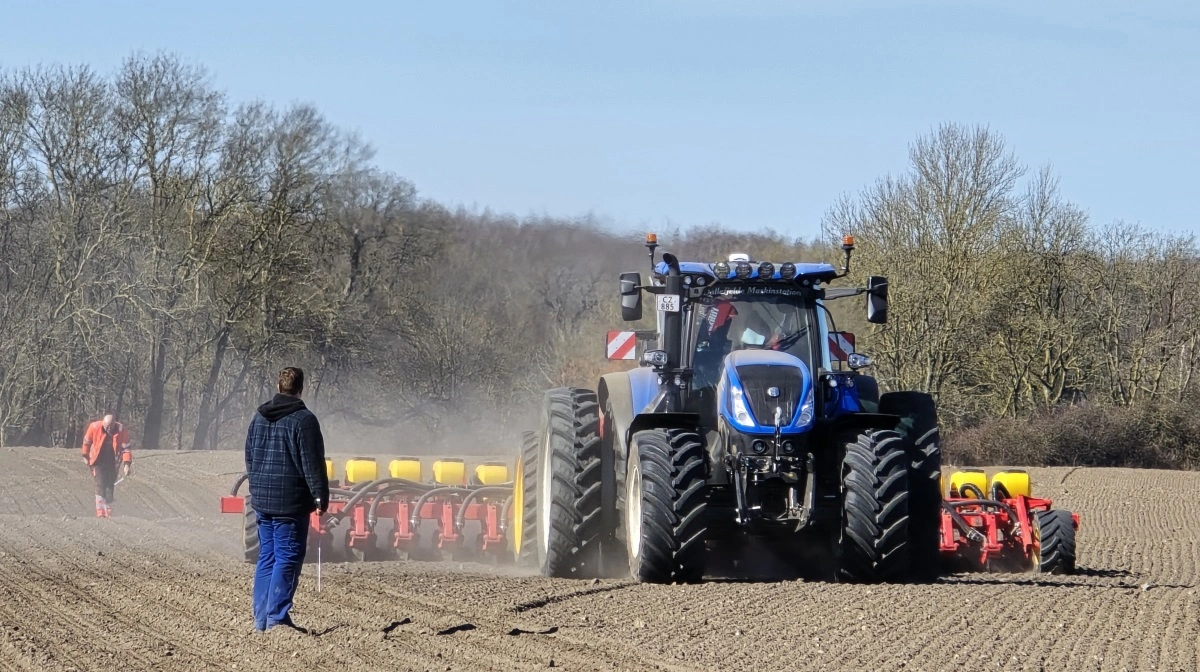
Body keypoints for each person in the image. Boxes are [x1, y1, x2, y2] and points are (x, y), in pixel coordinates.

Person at [244, 366, 329, 633]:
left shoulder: (258, 417)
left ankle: (261, 621)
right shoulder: (304, 420)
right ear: (301, 388)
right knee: (288, 556)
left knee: (266, 556)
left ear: (278, 386)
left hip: (261, 501)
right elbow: (312, 463)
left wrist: (257, 487)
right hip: (290, 503)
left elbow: (249, 456)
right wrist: (319, 496)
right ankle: (277, 618)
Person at [80, 414, 132, 518]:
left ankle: (108, 510)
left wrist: (127, 465)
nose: (109, 429)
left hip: (112, 462)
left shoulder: (121, 430)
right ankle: (100, 512)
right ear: (103, 423)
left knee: (109, 486)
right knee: (100, 484)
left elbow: (126, 448)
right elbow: (87, 442)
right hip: (97, 460)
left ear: (114, 424)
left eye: (111, 426)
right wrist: (85, 456)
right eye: (107, 426)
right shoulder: (94, 427)